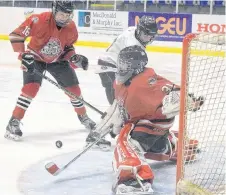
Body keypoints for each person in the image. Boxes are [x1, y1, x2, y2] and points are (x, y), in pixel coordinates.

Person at [88, 45, 204, 194]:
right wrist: (100, 129)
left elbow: (168, 91)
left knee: (126, 141)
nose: (122, 67)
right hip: (148, 125)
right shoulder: (122, 81)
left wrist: (185, 100)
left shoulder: (146, 82)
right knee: (154, 149)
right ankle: (177, 147)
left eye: (126, 64)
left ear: (137, 66)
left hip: (151, 123)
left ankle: (135, 179)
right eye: (121, 63)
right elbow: (118, 106)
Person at [5, 0, 96, 141]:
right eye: (61, 14)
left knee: (75, 91)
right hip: (34, 58)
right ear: (54, 11)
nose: (64, 18)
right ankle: (13, 122)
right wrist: (23, 54)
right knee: (30, 89)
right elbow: (16, 35)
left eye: (67, 15)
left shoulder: (71, 27)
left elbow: (67, 48)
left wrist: (74, 58)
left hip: (58, 61)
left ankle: (83, 117)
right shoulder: (39, 20)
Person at [96, 15, 158, 105]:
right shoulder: (132, 44)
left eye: (151, 36)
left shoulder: (134, 31)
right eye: (146, 35)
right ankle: (115, 112)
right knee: (117, 97)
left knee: (126, 92)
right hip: (107, 65)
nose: (149, 39)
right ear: (139, 31)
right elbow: (129, 68)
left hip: (117, 63)